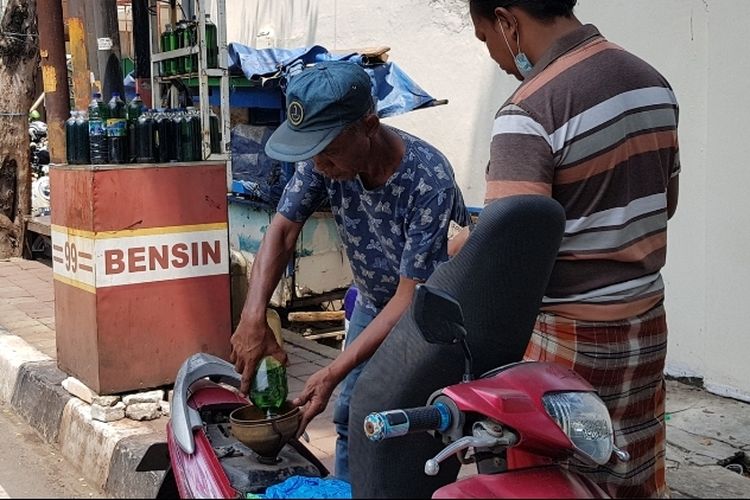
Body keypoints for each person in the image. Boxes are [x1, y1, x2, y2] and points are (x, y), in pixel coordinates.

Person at [450, 1, 680, 497]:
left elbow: (510, 255)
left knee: (558, 480)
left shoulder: (529, 110)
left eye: (484, 35)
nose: (493, 53)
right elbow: (667, 204)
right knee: (631, 471)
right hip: (646, 327)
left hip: (569, 341)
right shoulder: (652, 82)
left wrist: (463, 244)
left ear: (507, 21)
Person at [230, 60, 471, 482]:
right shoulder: (323, 161)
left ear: (369, 125)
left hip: (430, 318)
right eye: (312, 151)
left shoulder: (428, 180)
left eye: (328, 149)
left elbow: (412, 294)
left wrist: (333, 369)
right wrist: (254, 315)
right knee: (348, 416)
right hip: (376, 302)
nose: (319, 164)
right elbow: (283, 231)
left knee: (417, 426)